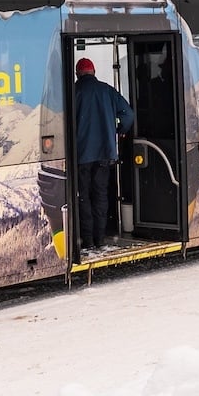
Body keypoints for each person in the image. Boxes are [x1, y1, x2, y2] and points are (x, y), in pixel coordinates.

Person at [72, 57, 134, 252]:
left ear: (77, 73)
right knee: (100, 195)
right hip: (105, 154)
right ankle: (100, 239)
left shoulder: (74, 91)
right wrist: (119, 130)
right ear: (94, 71)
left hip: (82, 155)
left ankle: (87, 240)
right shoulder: (107, 90)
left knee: (84, 197)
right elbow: (128, 114)